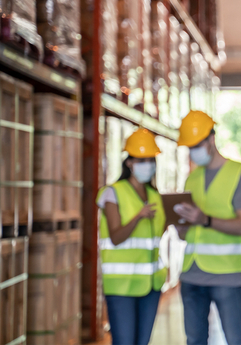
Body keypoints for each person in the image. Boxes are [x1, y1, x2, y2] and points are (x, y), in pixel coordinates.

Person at [175, 110, 241, 345]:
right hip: (192, 274)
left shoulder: (239, 174)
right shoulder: (192, 178)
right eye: (189, 146)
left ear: (211, 139)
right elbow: (188, 232)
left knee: (235, 339)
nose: (192, 151)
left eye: (196, 145)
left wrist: (205, 219)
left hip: (226, 276)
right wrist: (179, 224)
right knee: (194, 339)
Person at [96, 128, 166, 345]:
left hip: (151, 285)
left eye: (151, 160)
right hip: (122, 287)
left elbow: (157, 235)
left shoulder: (155, 195)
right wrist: (138, 217)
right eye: (142, 160)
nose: (148, 165)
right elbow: (116, 237)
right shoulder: (112, 193)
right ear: (129, 163)